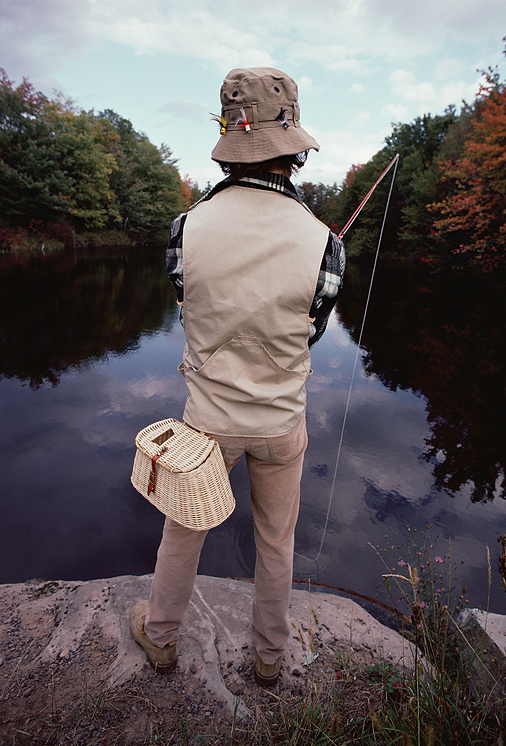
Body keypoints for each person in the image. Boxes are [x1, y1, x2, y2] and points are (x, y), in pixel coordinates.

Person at [130, 67, 345, 686]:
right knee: (277, 543)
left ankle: (162, 637)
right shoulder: (325, 243)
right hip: (281, 423)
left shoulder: (183, 228)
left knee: (184, 529)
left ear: (230, 144)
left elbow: (188, 305)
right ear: (291, 148)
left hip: (208, 425)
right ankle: (270, 659)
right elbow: (310, 332)